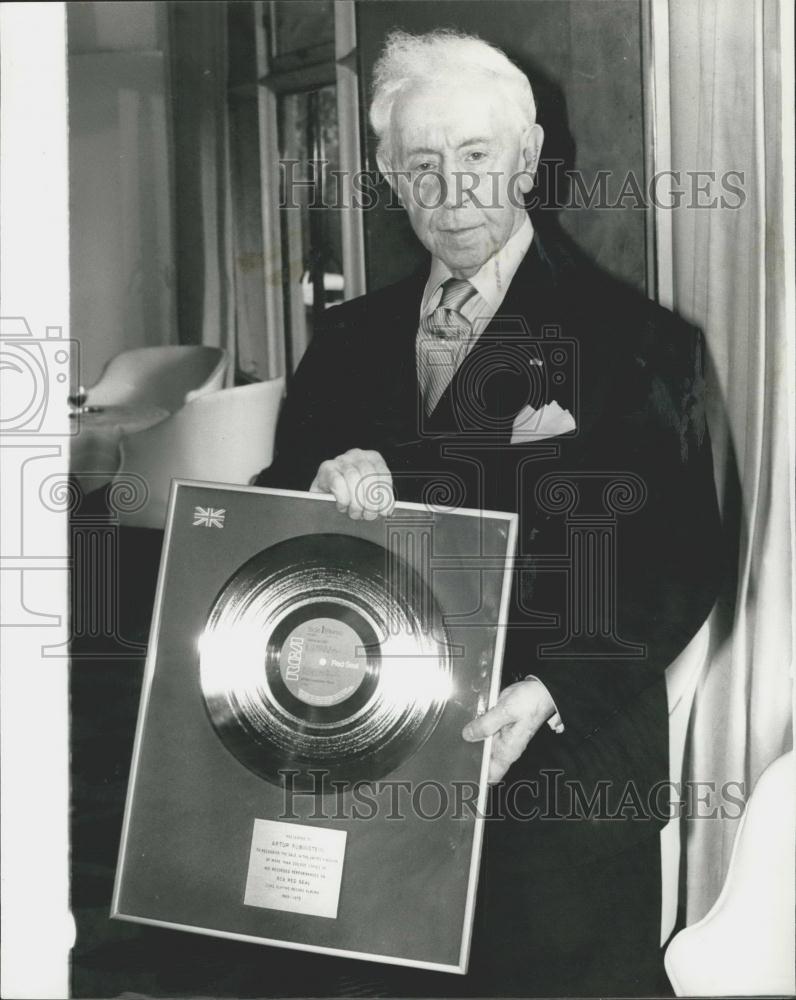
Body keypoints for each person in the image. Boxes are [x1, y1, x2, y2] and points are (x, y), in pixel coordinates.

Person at [256, 29, 722, 997]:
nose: (451, 188)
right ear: (387, 176)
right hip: (371, 769)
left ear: (527, 155)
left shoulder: (637, 343)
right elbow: (270, 512)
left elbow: (681, 562)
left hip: (559, 782)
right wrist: (310, 486)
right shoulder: (343, 343)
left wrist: (548, 690)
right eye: (421, 164)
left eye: (475, 155)